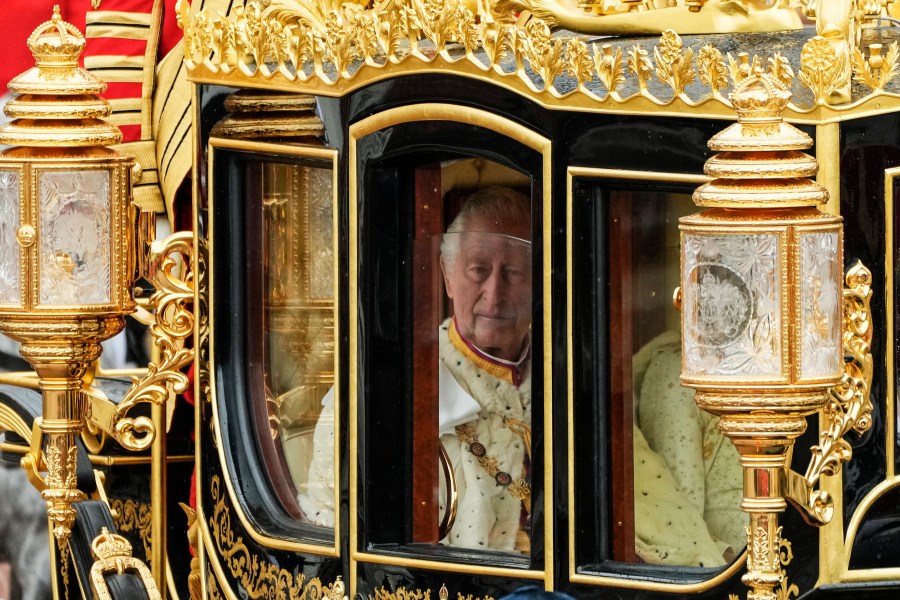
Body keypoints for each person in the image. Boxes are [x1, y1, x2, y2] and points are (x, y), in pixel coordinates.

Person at [299, 186, 534, 553]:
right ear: (447, 275)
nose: (494, 293)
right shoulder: (386, 392)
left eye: (515, 272)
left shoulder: (573, 380)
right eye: (478, 270)